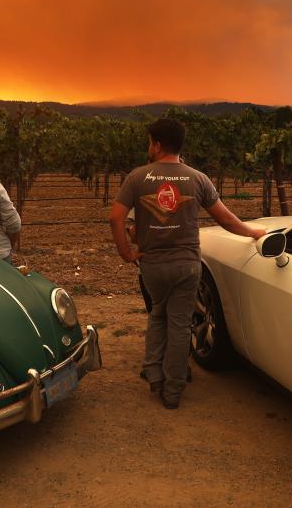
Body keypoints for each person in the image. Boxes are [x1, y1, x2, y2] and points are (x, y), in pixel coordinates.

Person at [109, 118, 265, 409]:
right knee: (180, 324)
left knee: (158, 314)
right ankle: (173, 389)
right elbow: (226, 219)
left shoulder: (137, 177)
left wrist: (126, 254)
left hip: (152, 266)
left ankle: (154, 374)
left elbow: (115, 217)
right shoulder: (198, 178)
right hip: (187, 266)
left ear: (156, 144)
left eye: (149, 142)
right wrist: (254, 232)